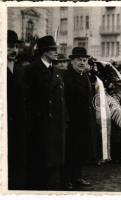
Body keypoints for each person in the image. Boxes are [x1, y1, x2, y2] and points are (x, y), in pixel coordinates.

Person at [24, 35, 66, 190]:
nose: (56, 52)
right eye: (53, 49)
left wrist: (64, 118)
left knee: (53, 162)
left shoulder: (56, 71)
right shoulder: (31, 70)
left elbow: (61, 99)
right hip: (39, 124)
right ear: (44, 52)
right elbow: (27, 99)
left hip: (56, 123)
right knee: (39, 161)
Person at [63, 47, 97, 190]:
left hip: (84, 120)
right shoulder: (66, 76)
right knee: (69, 151)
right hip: (71, 121)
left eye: (84, 60)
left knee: (80, 150)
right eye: (79, 60)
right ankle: (66, 179)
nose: (82, 62)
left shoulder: (86, 76)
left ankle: (77, 176)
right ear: (72, 61)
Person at [7, 30, 28, 190]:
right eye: (8, 46)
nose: (13, 50)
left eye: (15, 46)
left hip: (18, 122)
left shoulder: (20, 69)